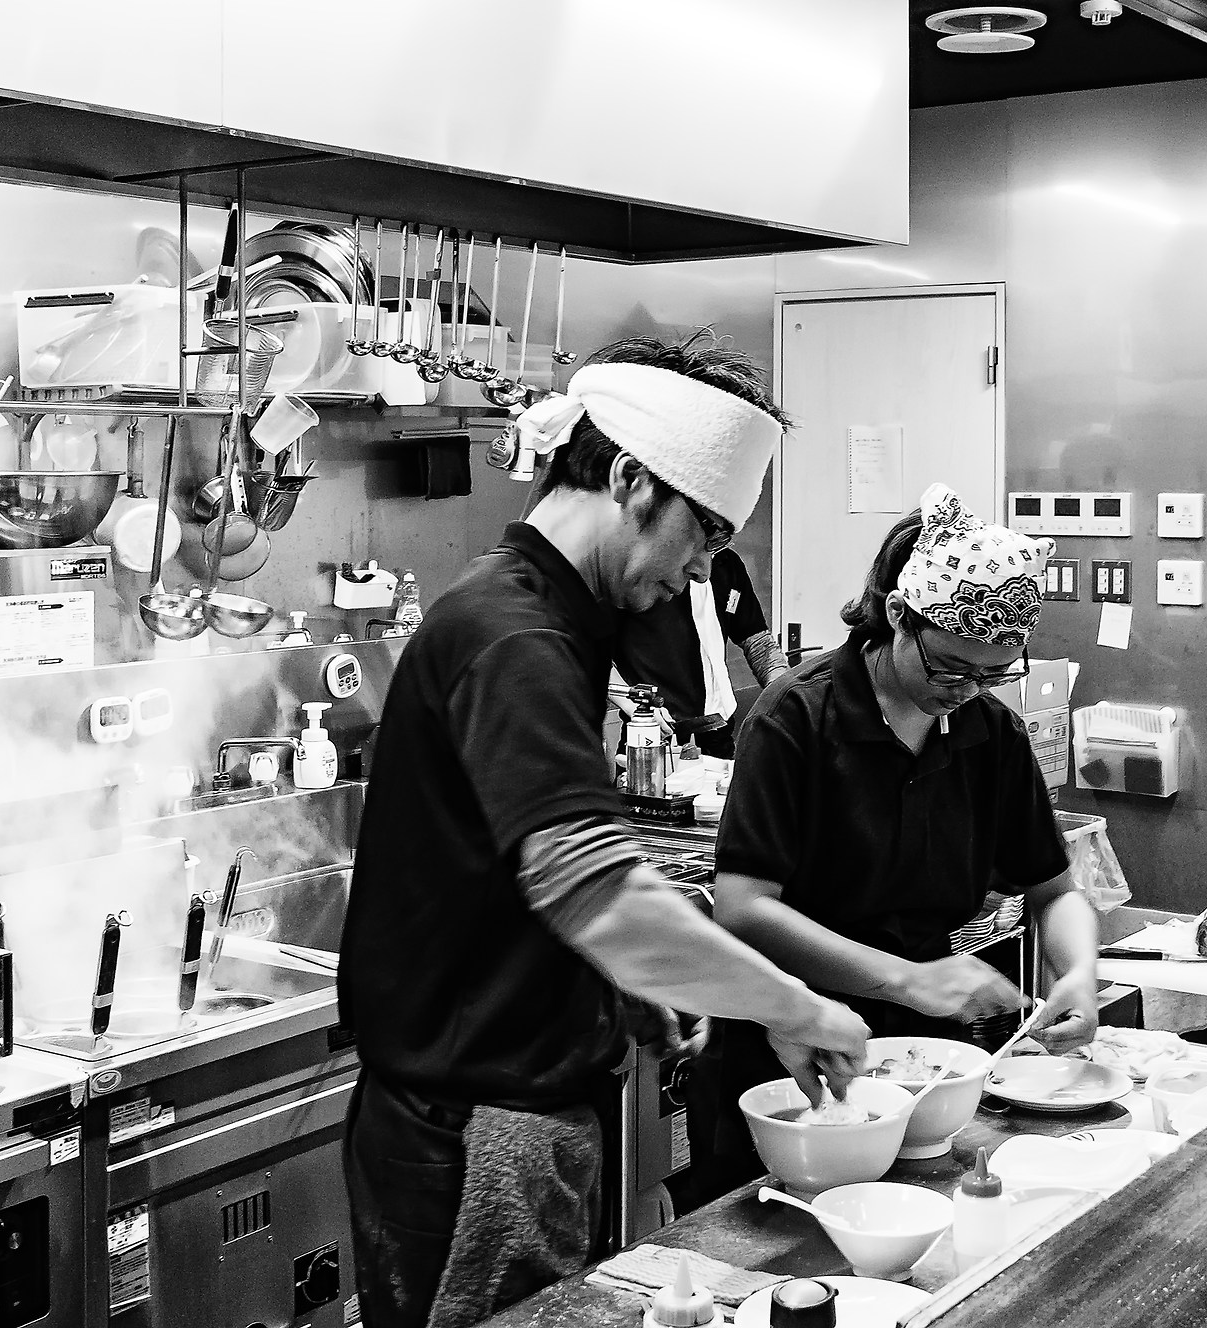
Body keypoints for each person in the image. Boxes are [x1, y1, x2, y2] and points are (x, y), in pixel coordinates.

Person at [339, 334, 871, 1328]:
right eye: (702, 536)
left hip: (509, 1115)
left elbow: (522, 878)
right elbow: (593, 887)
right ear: (631, 476)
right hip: (474, 1134)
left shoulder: (558, 620)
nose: (703, 571)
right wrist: (800, 1006)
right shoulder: (517, 636)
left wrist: (610, 985)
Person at [706, 483, 1102, 1185]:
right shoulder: (797, 717)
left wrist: (1077, 974)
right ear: (897, 615)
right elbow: (744, 907)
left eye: (992, 674)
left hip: (927, 1058)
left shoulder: (990, 733)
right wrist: (907, 979)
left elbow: (1054, 887)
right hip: (790, 1044)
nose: (966, 689)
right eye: (949, 666)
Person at [613, 547, 786, 758]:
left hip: (719, 733)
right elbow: (592, 657)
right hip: (652, 733)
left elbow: (757, 640)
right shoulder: (638, 568)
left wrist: (785, 694)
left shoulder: (727, 562)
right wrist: (637, 709)